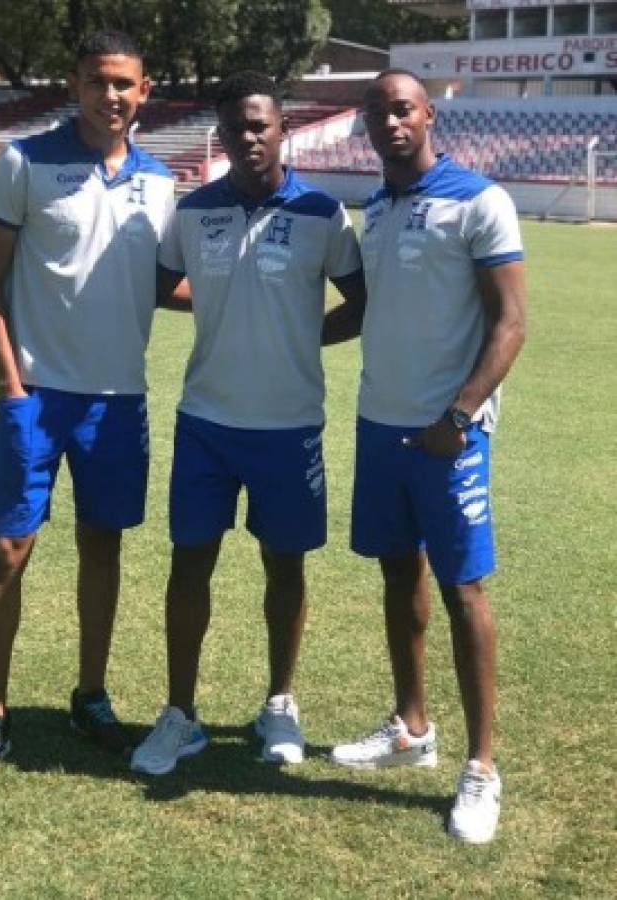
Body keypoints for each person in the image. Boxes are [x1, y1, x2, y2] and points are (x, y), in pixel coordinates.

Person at [0, 31, 175, 785]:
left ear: (146, 91)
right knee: (7, 551)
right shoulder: (24, 163)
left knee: (102, 548)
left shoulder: (161, 182)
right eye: (97, 81)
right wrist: (11, 387)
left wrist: (261, 299)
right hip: (36, 395)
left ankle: (90, 696)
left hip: (118, 400)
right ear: (74, 85)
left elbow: (163, 285)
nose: (111, 96)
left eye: (125, 85)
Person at [130, 70, 365, 776]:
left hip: (288, 425)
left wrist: (297, 335)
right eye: (235, 127)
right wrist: (225, 309)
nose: (248, 137)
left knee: (283, 566)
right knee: (188, 563)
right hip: (205, 419)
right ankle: (179, 714)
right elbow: (159, 282)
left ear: (281, 127)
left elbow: (361, 302)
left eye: (259, 124)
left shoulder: (323, 213)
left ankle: (279, 704)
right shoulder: (194, 209)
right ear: (223, 133)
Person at [326, 69, 526, 844]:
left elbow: (510, 323)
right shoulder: (372, 211)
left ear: (427, 113)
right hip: (379, 425)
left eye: (401, 108)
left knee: (463, 590)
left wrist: (460, 414)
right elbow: (365, 313)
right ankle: (411, 726)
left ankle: (480, 767)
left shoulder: (479, 199)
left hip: (449, 434)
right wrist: (276, 329)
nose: (389, 122)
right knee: (395, 572)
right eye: (375, 112)